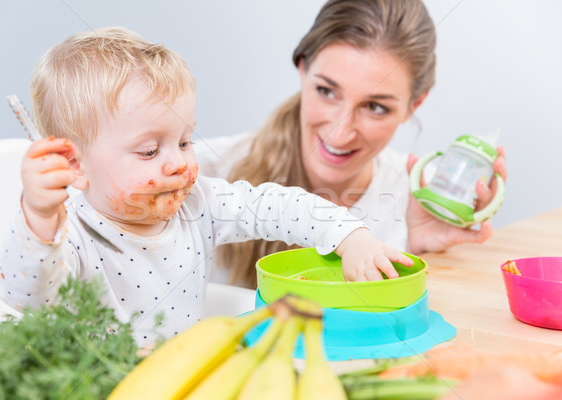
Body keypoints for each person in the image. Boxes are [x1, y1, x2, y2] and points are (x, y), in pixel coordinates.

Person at [0, 27, 413, 347]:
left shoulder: (198, 204)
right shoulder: (72, 235)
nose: (178, 163)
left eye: (184, 141)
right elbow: (25, 295)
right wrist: (38, 218)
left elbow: (279, 206)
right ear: (74, 165)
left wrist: (350, 238)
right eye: (148, 152)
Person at [197, 0, 508, 288]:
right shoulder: (200, 172)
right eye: (327, 91)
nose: (340, 133)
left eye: (375, 107)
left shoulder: (414, 203)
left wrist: (419, 251)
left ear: (414, 105)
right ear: (303, 68)